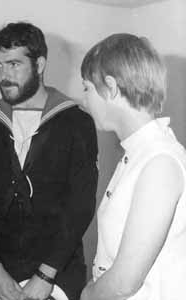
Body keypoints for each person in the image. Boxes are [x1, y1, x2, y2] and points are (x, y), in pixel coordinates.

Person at [0, 22, 98, 300]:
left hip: (58, 276)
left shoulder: (77, 123)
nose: (4, 75)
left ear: (39, 65)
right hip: (2, 280)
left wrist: (44, 277)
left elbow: (80, 206)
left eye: (14, 64)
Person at [79, 33, 186, 300]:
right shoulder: (137, 154)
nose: (85, 100)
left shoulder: (159, 161)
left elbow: (125, 282)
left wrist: (87, 295)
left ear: (111, 87)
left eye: (87, 89)